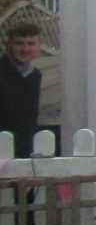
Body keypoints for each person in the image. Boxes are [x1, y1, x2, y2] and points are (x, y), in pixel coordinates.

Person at [0, 19, 56, 156]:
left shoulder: (34, 75)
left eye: (31, 44)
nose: (25, 49)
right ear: (8, 44)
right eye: (19, 43)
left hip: (25, 148)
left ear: (39, 46)